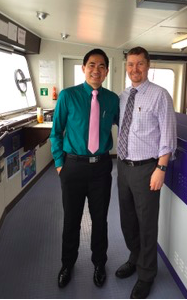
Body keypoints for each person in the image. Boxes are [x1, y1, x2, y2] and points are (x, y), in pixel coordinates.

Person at [50, 49, 119, 289]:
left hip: (101, 168)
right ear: (83, 68)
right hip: (73, 168)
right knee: (71, 220)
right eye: (92, 65)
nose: (96, 70)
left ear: (107, 71)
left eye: (101, 66)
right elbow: (56, 132)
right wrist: (60, 164)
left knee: (100, 221)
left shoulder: (112, 99)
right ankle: (67, 264)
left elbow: (130, 127)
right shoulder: (68, 96)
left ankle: (99, 263)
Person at [116, 46, 177, 299]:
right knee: (128, 220)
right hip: (122, 166)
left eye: (140, 64)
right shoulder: (122, 96)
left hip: (146, 169)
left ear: (148, 65)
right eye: (130, 64)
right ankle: (134, 257)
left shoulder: (160, 95)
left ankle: (146, 274)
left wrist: (161, 168)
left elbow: (168, 135)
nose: (134, 69)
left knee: (147, 225)